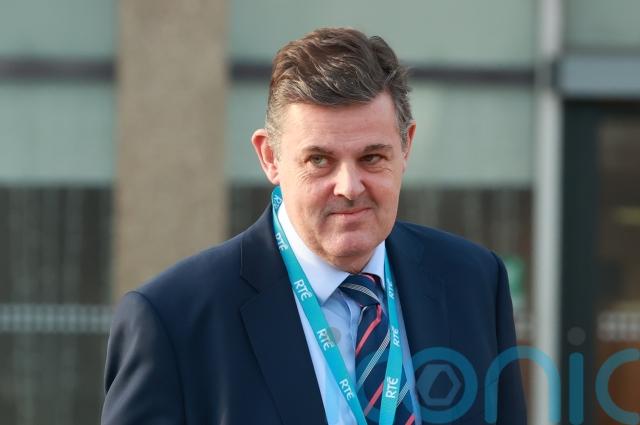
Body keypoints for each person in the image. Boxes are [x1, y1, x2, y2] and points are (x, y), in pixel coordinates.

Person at [102, 27, 527, 425]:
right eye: (319, 160)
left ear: (406, 147)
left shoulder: (473, 281)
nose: (349, 187)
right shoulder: (173, 321)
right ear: (270, 158)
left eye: (372, 158)